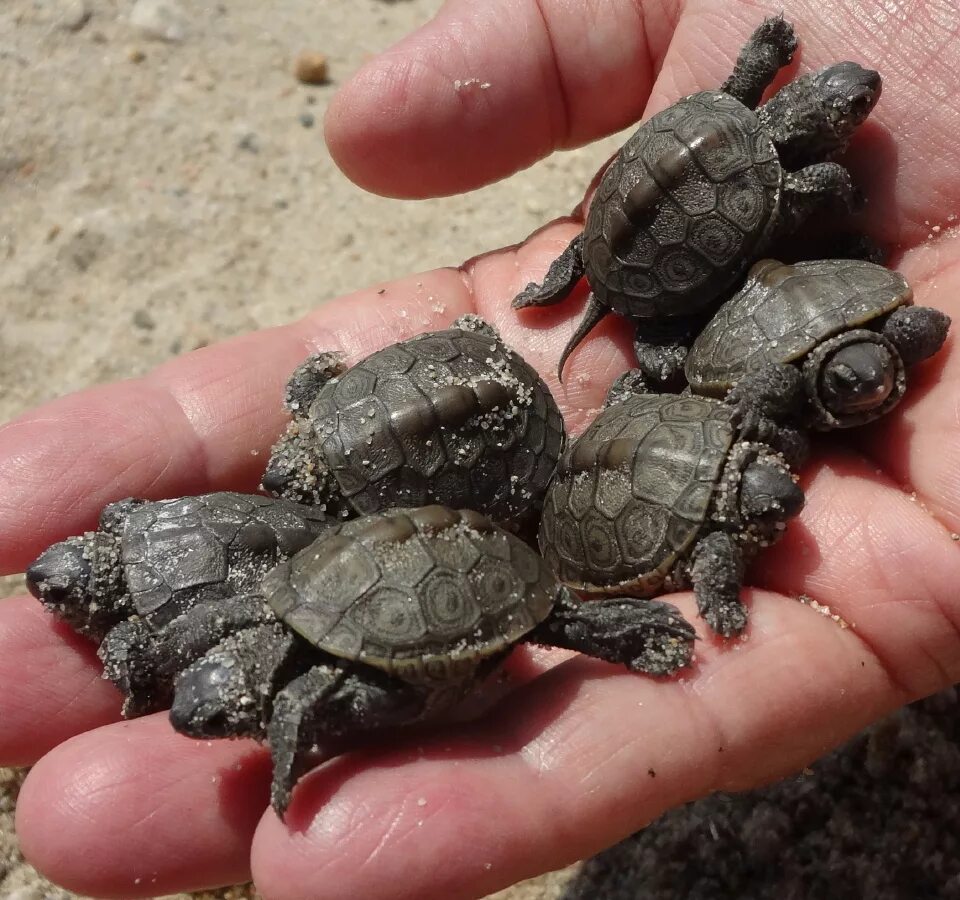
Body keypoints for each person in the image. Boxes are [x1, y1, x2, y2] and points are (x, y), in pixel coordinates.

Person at [1, 1, 958, 897]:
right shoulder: (290, 573)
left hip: (552, 486)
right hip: (517, 498)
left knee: (557, 600)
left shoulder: (743, 396)